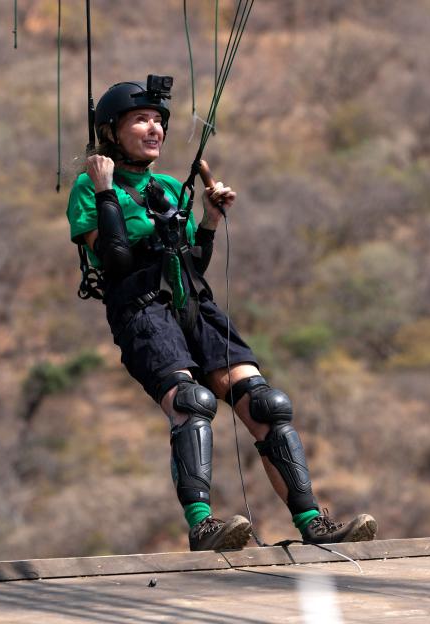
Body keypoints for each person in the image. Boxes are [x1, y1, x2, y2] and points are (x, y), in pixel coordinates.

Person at [66, 76, 377, 551]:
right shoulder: (90, 189)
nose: (154, 130)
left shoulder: (171, 187)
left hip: (196, 306)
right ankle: (203, 525)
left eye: (158, 122)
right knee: (191, 404)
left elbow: (192, 262)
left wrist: (209, 220)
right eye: (141, 121)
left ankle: (312, 521)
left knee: (266, 404)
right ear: (111, 133)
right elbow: (116, 260)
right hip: (143, 311)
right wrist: (107, 190)